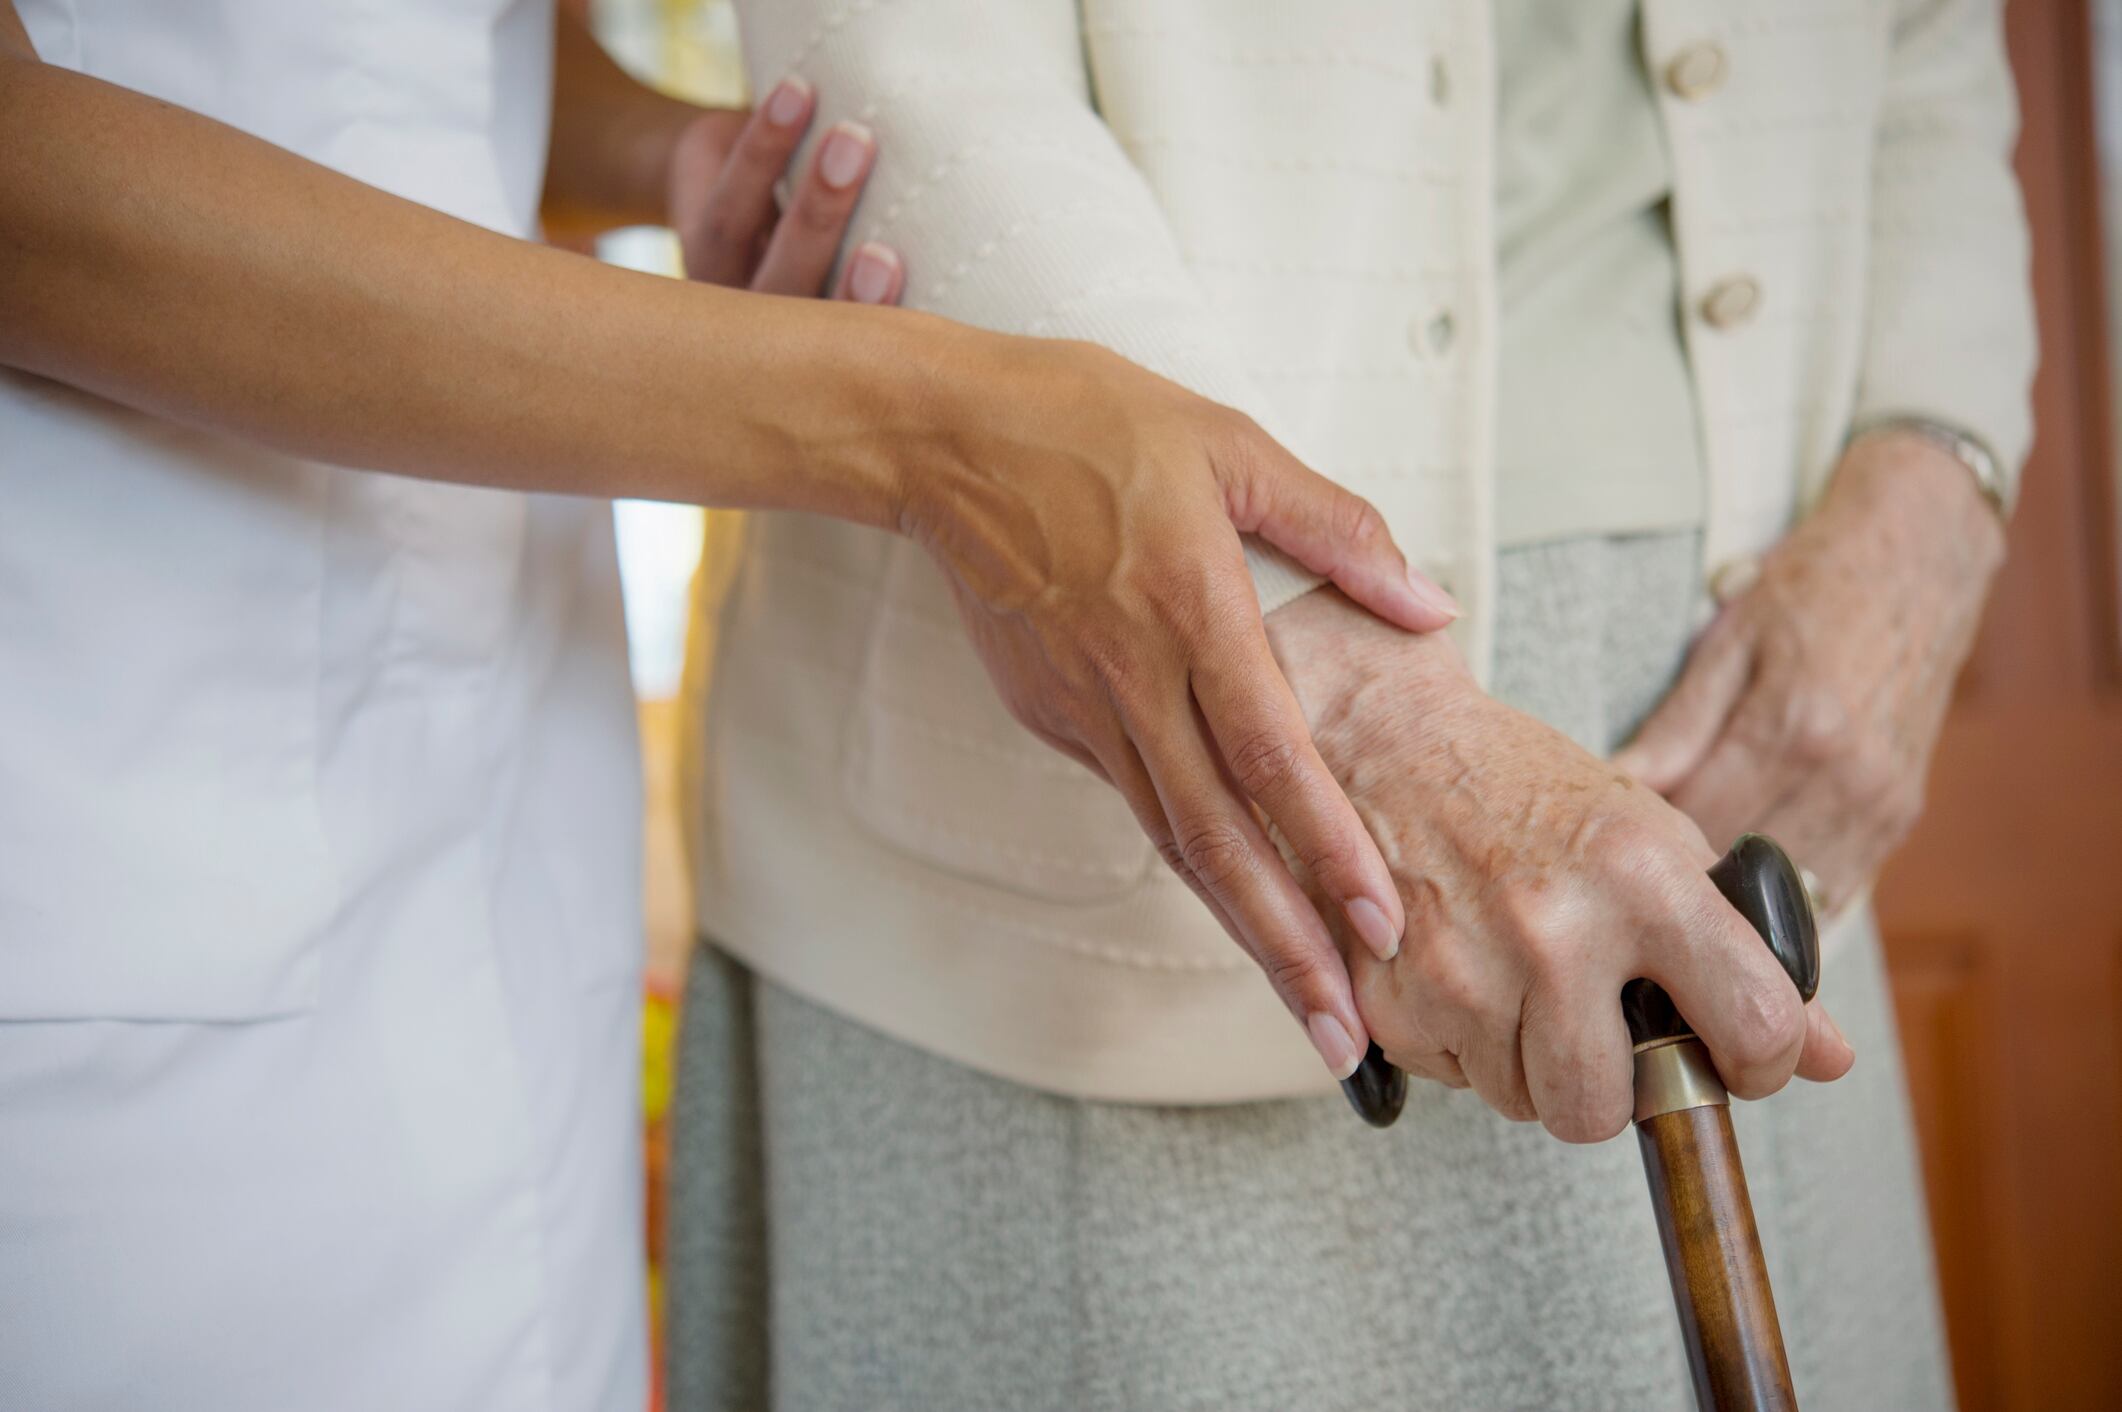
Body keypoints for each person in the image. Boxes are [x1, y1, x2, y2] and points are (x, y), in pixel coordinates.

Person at [0, 3, 1457, 1408]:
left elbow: (418, 54)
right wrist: (928, 429)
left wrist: (678, 153)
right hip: (101, 723)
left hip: (502, 759)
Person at [670, 1, 2031, 1408]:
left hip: (1749, 739)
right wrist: (1307, 676)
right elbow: (905, 49)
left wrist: (1937, 472)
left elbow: (1929, 45)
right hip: (1092, 825)